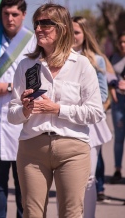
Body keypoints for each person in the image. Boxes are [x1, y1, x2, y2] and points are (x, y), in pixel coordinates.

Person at [7, 3, 104, 218]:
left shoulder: (82, 65)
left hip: (73, 150)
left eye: (46, 23)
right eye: (36, 23)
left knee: (71, 214)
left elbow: (96, 112)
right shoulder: (25, 65)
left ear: (62, 28)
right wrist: (24, 109)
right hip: (32, 150)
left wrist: (58, 109)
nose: (39, 28)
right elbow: (12, 115)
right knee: (32, 214)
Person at [0, 0, 35, 218]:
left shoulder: (34, 43)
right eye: (5, 13)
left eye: (15, 13)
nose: (10, 18)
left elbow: (38, 84)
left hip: (23, 129)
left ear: (24, 15)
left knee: (25, 191)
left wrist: (5, 88)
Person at [72, 16, 113, 217]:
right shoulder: (61, 57)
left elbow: (103, 94)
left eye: (77, 32)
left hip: (90, 125)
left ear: (85, 34)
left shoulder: (96, 60)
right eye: (69, 31)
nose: (73, 36)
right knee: (70, 178)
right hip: (66, 121)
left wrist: (78, 101)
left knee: (88, 178)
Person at [109, 31, 125, 183]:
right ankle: (117, 170)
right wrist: (113, 91)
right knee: (118, 137)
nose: (122, 45)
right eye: (120, 42)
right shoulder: (113, 58)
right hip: (118, 101)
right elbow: (110, 77)